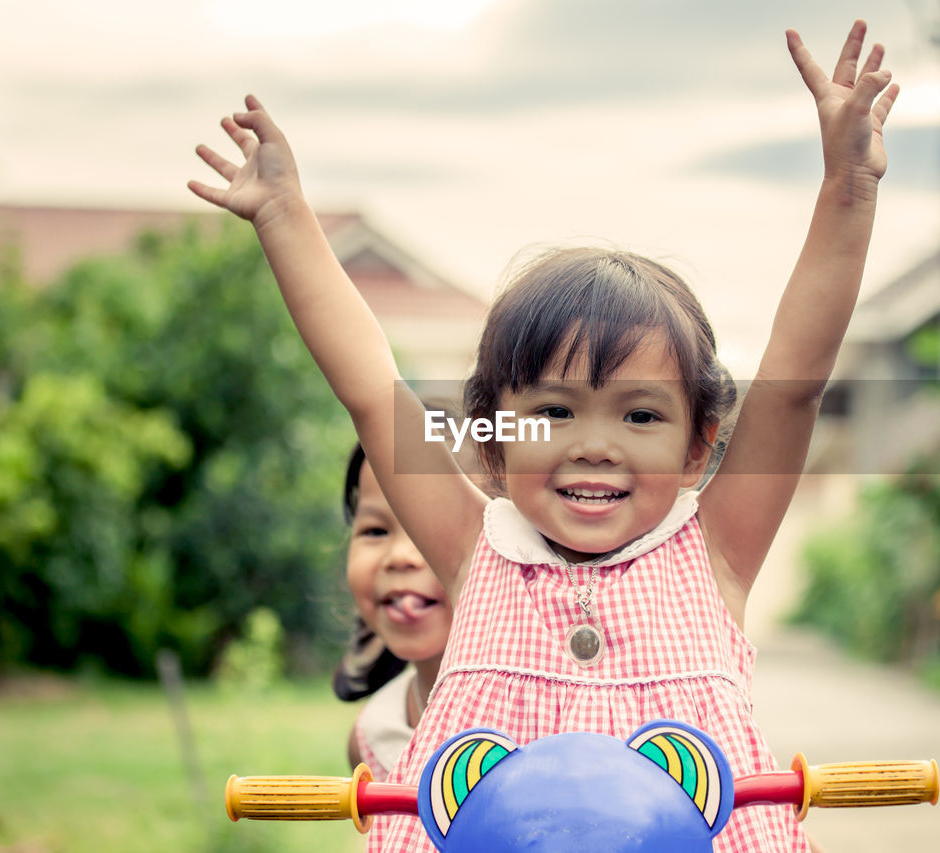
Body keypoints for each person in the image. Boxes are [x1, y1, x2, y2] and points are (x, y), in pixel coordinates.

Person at [189, 18, 896, 852]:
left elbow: (795, 384)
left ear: (700, 443)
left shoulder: (718, 552)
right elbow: (374, 393)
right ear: (490, 438)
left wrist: (849, 183)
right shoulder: (469, 547)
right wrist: (284, 216)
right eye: (554, 412)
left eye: (640, 414)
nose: (594, 444)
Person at [333, 441, 453, 779]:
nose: (400, 556)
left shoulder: (551, 712)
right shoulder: (371, 737)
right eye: (375, 531)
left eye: (436, 529)